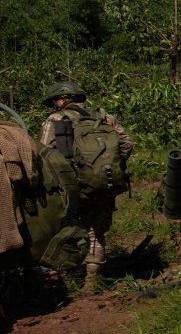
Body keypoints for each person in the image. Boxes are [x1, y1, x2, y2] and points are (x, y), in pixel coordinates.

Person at [39, 81, 133, 292]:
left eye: (55, 101)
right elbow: (127, 143)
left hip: (72, 186)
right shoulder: (104, 117)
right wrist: (110, 166)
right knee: (96, 232)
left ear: (62, 99)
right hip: (105, 182)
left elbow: (44, 154)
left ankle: (69, 277)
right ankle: (93, 280)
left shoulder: (55, 120)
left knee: (67, 230)